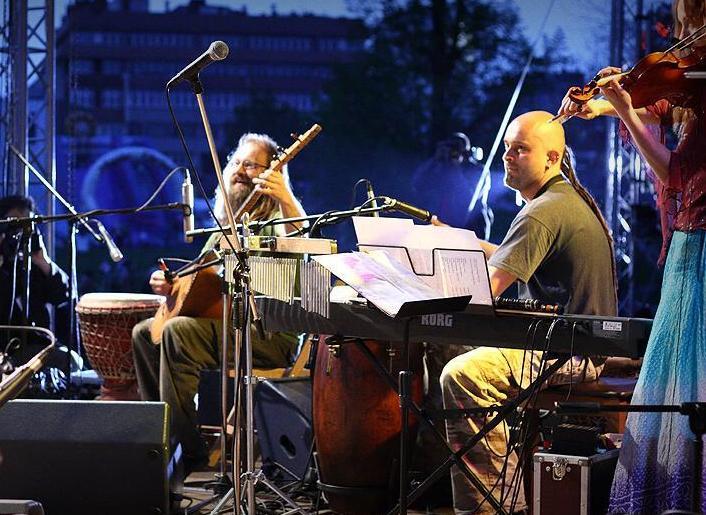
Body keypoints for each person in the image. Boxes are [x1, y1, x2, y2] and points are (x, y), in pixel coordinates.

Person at [558, 1, 706, 511]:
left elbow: (674, 174)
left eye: (691, 22)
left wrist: (622, 105)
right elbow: (659, 94)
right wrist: (594, 104)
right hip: (693, 244)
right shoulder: (692, 82)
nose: (686, 36)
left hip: (702, 249)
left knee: (689, 379)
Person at [439, 111, 617, 514]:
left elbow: (482, 291)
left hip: (569, 354)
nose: (508, 156)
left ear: (552, 158)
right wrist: (461, 241)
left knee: (463, 374)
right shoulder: (559, 200)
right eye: (506, 147)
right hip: (571, 343)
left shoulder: (542, 211)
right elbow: (512, 257)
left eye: (521, 149)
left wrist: (417, 286)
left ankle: (497, 506)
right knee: (449, 350)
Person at [132, 132, 306, 471]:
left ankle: (188, 453)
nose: (240, 170)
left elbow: (300, 239)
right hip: (224, 324)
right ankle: (161, 439)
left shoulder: (276, 219)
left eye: (251, 165)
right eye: (236, 162)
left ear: (272, 175)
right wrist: (171, 286)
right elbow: (201, 281)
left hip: (266, 334)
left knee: (177, 332)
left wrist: (285, 195)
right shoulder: (223, 228)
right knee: (144, 333)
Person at [0, 195, 70, 350]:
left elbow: (63, 296)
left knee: (71, 360)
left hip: (39, 347)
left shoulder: (32, 267)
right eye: (14, 224)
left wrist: (43, 261)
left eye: (26, 225)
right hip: (7, 349)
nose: (19, 232)